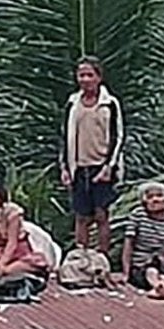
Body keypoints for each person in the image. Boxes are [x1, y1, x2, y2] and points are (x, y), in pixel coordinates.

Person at [59, 57, 124, 257]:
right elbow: (64, 136)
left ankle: (102, 257)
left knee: (101, 214)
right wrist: (64, 168)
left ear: (99, 77)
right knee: (81, 216)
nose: (85, 79)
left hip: (102, 166)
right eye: (81, 75)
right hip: (78, 166)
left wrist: (109, 167)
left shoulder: (110, 103)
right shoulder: (72, 103)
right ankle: (81, 257)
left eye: (90, 75)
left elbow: (118, 136)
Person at [122, 180, 164, 298]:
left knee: (163, 273)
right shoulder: (138, 215)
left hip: (163, 262)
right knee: (151, 271)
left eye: (159, 196)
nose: (155, 200)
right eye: (150, 197)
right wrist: (126, 272)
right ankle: (158, 287)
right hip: (141, 263)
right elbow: (128, 243)